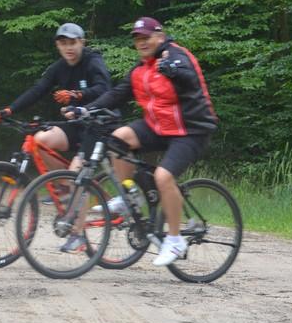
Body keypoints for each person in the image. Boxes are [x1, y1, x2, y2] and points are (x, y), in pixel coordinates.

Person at [66, 17, 217, 265]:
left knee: (163, 177)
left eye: (146, 37)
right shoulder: (141, 70)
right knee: (117, 138)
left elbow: (188, 76)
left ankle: (175, 240)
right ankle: (130, 195)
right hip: (159, 127)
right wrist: (86, 109)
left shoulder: (175, 55)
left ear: (160, 36)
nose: (142, 42)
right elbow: (117, 94)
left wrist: (172, 70)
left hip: (190, 130)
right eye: (137, 39)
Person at [0, 22, 114, 171]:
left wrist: (77, 94)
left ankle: (72, 180)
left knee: (75, 174)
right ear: (57, 45)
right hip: (77, 124)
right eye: (63, 43)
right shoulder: (59, 67)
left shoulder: (93, 61)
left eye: (72, 43)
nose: (68, 48)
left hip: (99, 125)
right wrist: (10, 109)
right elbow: (38, 90)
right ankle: (62, 182)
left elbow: (104, 89)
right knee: (40, 140)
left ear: (82, 43)